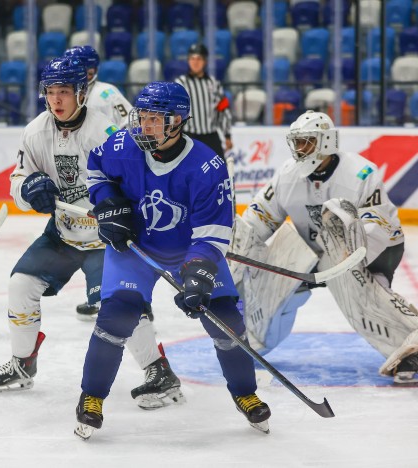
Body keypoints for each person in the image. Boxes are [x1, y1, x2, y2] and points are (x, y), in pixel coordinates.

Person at [0, 58, 184, 410]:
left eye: (64, 92)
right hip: (63, 233)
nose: (56, 100)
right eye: (51, 92)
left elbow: (133, 183)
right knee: (20, 285)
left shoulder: (104, 133)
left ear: (81, 93)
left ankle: (158, 370)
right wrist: (28, 188)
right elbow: (17, 178)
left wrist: (121, 211)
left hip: (105, 241)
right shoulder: (34, 132)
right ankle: (22, 363)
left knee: (119, 301)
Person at [74, 81, 270, 440]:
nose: (144, 126)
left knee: (226, 320)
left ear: (178, 121)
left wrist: (197, 275)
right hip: (135, 248)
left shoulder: (207, 166)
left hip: (187, 250)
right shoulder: (122, 145)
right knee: (115, 316)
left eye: (154, 119)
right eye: (142, 117)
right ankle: (91, 398)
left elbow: (212, 233)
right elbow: (96, 168)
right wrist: (107, 202)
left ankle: (245, 392)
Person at [231, 110, 418, 385]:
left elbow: (377, 226)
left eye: (306, 141)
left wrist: (350, 256)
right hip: (311, 253)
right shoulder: (287, 175)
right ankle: (254, 338)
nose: (299, 149)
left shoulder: (360, 173)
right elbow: (259, 218)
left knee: (365, 301)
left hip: (372, 250)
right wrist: (237, 252)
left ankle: (410, 349)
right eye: (296, 142)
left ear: (326, 142)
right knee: (268, 291)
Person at [63, 45, 134, 319]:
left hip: (109, 172)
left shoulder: (106, 92)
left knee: (117, 236)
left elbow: (130, 123)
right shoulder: (70, 92)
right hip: (84, 175)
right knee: (92, 240)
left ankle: (140, 302)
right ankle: (97, 295)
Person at [174, 43, 232, 158]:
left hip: (211, 137)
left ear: (205, 61)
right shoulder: (180, 83)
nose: (195, 62)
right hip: (189, 136)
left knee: (219, 172)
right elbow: (175, 111)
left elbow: (223, 110)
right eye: (192, 58)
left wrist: (227, 135)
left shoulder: (214, 83)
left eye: (199, 59)